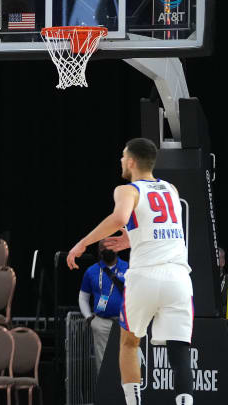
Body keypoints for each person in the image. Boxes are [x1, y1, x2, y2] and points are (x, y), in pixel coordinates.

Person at [67, 138, 194, 405]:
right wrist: (132, 239)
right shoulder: (171, 189)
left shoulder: (128, 190)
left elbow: (120, 219)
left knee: (128, 343)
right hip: (178, 278)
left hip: (145, 277)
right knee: (180, 347)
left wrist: (83, 242)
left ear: (132, 162)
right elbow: (166, 231)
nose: (121, 161)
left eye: (123, 157)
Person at [79, 239, 128, 374]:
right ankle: (105, 392)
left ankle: (123, 393)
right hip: (101, 323)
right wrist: (89, 318)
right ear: (99, 251)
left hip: (124, 322)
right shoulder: (91, 271)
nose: (106, 250)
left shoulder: (128, 268)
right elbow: (83, 297)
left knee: (125, 360)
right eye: (103, 248)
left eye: (110, 246)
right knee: (102, 363)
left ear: (117, 248)